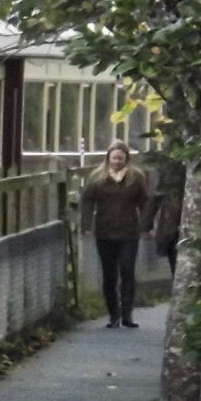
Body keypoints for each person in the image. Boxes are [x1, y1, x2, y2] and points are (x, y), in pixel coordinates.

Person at [80, 140, 149, 327]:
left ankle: (127, 314)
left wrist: (145, 226)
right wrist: (86, 225)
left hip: (128, 232)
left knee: (127, 271)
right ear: (108, 158)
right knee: (109, 274)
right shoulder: (97, 178)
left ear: (127, 159)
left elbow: (145, 203)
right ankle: (113, 314)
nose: (117, 161)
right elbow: (87, 201)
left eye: (121, 158)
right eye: (114, 158)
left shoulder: (136, 178)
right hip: (105, 232)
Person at [143, 153, 182, 275]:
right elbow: (156, 197)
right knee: (175, 265)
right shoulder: (172, 171)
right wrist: (145, 225)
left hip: (190, 224)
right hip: (173, 226)